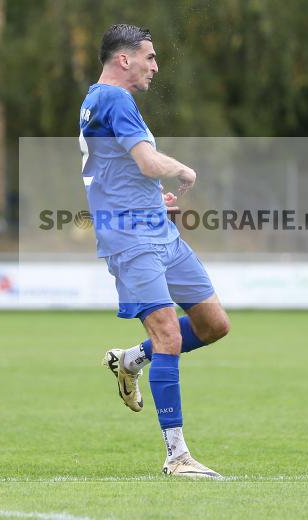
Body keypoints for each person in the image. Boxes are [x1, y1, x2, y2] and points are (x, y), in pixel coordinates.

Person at [78, 24, 231, 478]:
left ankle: (131, 360)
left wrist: (151, 200)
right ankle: (177, 455)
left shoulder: (97, 100)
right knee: (168, 334)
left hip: (157, 229)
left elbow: (115, 170)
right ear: (124, 60)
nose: (155, 66)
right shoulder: (116, 99)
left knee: (213, 324)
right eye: (150, 56)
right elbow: (147, 162)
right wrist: (182, 169)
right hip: (130, 238)